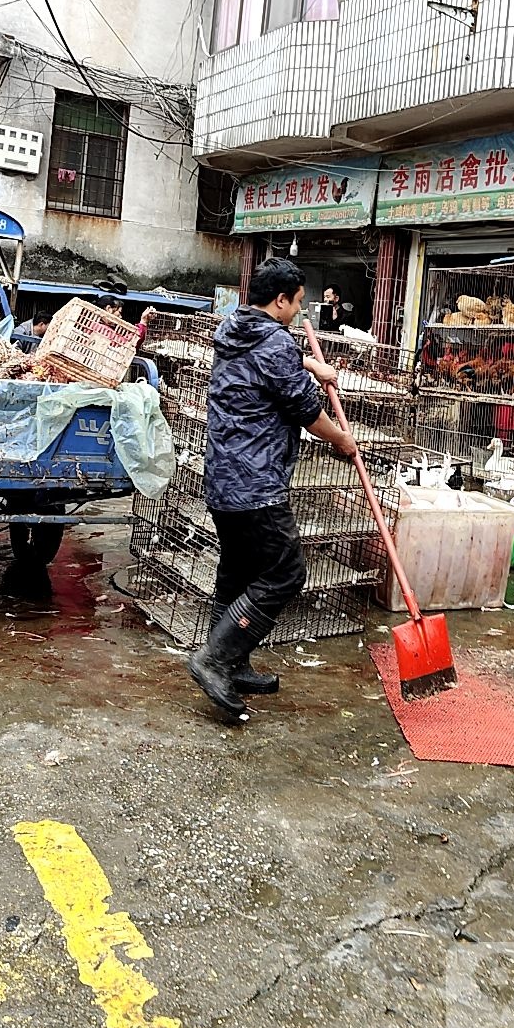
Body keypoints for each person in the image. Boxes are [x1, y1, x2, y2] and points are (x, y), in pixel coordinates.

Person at [190, 257, 357, 719]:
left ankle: (234, 661)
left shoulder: (233, 329)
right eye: (298, 304)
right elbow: (306, 410)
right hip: (256, 483)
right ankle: (215, 660)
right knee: (286, 573)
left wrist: (307, 363)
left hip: (223, 477)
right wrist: (342, 440)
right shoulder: (276, 345)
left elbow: (266, 357)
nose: (300, 313)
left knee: (239, 569)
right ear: (279, 301)